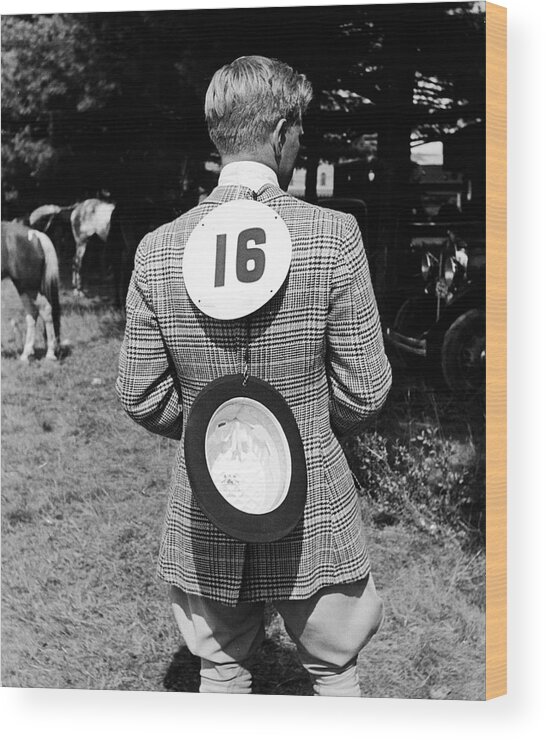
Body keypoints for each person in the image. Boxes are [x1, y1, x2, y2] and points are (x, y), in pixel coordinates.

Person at [116, 55, 392, 697]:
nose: (301, 142)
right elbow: (366, 389)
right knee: (335, 674)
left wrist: (211, 428)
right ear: (281, 133)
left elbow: (140, 393)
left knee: (219, 672)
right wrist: (305, 430)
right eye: (301, 131)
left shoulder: (159, 249)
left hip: (207, 500)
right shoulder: (333, 235)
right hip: (313, 505)